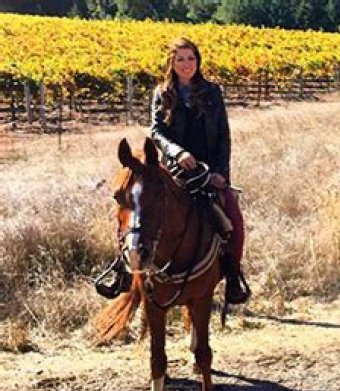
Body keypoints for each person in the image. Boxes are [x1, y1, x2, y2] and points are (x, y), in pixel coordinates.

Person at [98, 37, 249, 304]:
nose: (186, 64)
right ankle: (123, 271)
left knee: (233, 220)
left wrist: (220, 173)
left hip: (208, 173)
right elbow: (156, 131)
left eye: (191, 58)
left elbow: (223, 135)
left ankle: (233, 275)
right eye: (180, 59)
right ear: (172, 63)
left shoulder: (212, 92)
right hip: (174, 171)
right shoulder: (162, 93)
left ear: (198, 61)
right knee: (135, 211)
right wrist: (178, 153)